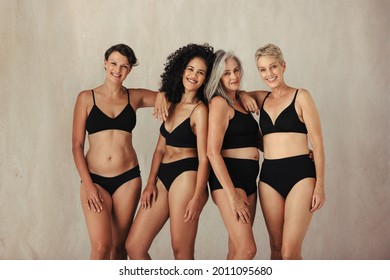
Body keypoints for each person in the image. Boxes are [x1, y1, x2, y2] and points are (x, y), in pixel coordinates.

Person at [72, 43, 166, 259]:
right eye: (113, 63)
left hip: (128, 179)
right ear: (105, 63)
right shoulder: (86, 98)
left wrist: (162, 94)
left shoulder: (135, 96)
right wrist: (88, 185)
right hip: (95, 180)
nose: (118, 69)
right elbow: (77, 145)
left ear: (130, 70)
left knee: (119, 247)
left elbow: (173, 97)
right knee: (101, 247)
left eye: (124, 66)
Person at [125, 43, 214, 260]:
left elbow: (205, 158)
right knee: (134, 247)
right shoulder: (171, 103)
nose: (194, 75)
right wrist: (150, 183)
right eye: (191, 69)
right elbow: (159, 149)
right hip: (162, 175)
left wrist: (197, 196)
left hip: (187, 176)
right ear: (182, 70)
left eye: (201, 72)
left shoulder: (200, 111)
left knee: (181, 251)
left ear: (206, 79)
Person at [241, 43, 325, 259]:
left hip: (301, 175)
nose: (269, 73)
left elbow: (317, 141)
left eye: (273, 67)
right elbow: (228, 94)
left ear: (283, 66)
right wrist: (242, 94)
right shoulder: (262, 98)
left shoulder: (301, 96)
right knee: (276, 249)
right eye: (262, 69)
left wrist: (320, 185)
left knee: (290, 251)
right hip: (269, 177)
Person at [205, 50, 261, 260]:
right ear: (218, 77)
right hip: (230, 180)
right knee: (248, 250)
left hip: (249, 181)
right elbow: (212, 151)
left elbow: (260, 142)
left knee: (236, 249)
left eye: (236, 70)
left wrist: (298, 149)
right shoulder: (219, 103)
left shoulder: (241, 101)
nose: (233, 76)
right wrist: (231, 195)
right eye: (226, 73)